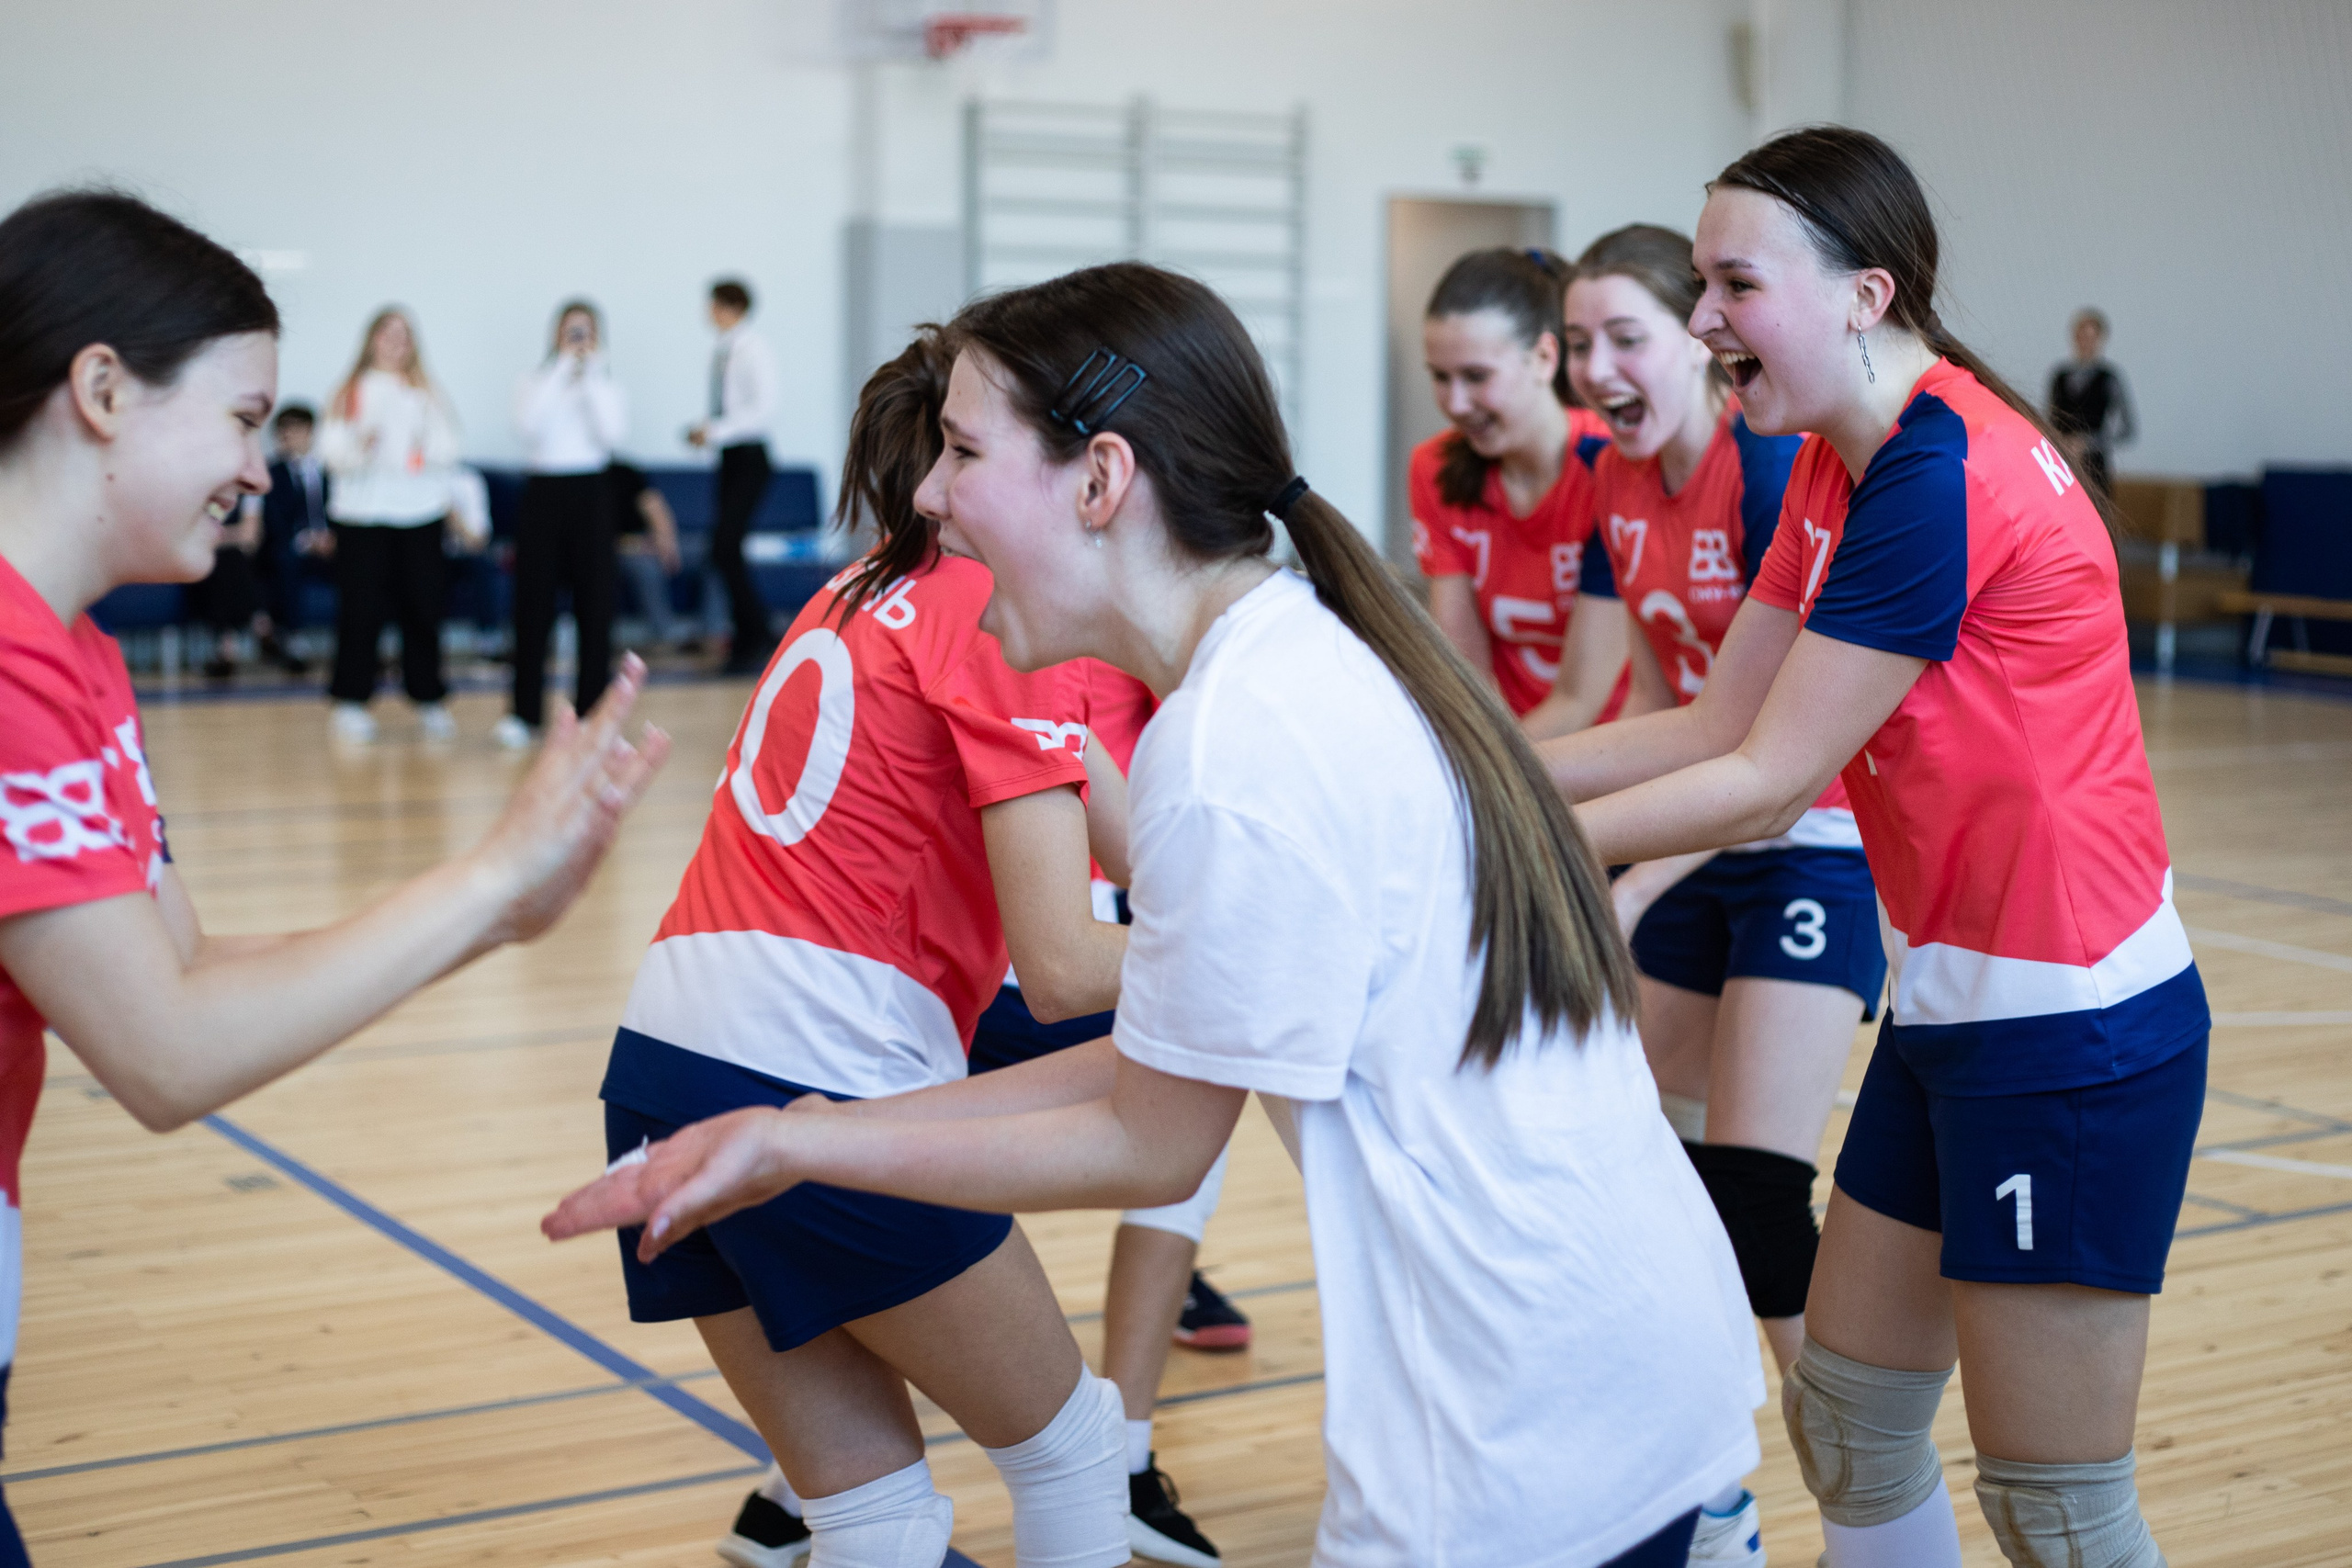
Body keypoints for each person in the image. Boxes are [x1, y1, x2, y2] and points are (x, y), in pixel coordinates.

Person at [547, 262, 1767, 1568]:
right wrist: (801, 1130)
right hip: (1611, 1371)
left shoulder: (1234, 744)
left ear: (1100, 479)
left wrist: (809, 1147)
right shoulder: (1274, 679)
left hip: (1532, 1423)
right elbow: (1154, 1057)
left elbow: (1146, 1139)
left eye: (961, 451)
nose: (926, 493)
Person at [1537, 129, 2207, 1568]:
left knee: (2060, 1514)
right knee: (1848, 1415)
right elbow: (1715, 716)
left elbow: (1767, 781)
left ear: (1864, 295)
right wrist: (1466, 778)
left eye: (1734, 283)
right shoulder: (1847, 465)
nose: (1708, 318)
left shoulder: (1936, 472)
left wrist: (1505, 848)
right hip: (1951, 1008)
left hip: (2070, 1036)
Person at [0, 187, 669, 1568]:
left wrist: (502, 910)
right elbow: (163, 1054)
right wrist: (490, 880)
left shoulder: (79, 654)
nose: (262, 465)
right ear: (104, 390)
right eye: (245, 418)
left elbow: (183, 969)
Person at [599, 329, 1154, 1568]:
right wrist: (1283, 947)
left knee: (871, 1510)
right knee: (1067, 1446)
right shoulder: (989, 617)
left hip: (657, 1067)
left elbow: (1140, 837)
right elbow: (1063, 965)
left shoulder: (852, 591)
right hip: (817, 1077)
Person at [1560, 221, 1885, 1568]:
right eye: (1579, 342)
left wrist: (1630, 865)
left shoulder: (1772, 472)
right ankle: (1708, 1489)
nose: (1601, 366)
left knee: (1752, 1195)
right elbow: (1647, 701)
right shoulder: (1614, 482)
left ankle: (1870, 1506)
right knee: (1634, 1180)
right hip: (1710, 825)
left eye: (1626, 335)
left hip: (1811, 845)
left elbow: (1769, 751)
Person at [1411, 246, 1629, 739]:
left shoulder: (1613, 462)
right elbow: (1462, 672)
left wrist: (1495, 781)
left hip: (1612, 755)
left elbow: (1581, 701)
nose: (1456, 403)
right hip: (1510, 748)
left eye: (1476, 376)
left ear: (1545, 357)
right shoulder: (1435, 467)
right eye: (1440, 377)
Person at [318, 307, 460, 742]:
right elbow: (332, 454)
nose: (396, 341)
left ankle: (428, 698)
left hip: (419, 514)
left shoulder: (427, 391)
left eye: (405, 334)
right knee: (361, 611)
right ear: (372, 338)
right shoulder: (350, 389)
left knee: (423, 607)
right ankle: (351, 701)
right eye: (388, 332)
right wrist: (361, 444)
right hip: (363, 518)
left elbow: (450, 446)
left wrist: (424, 440)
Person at [501, 300, 628, 750]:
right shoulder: (534, 381)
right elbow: (528, 427)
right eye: (569, 331)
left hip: (591, 492)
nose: (577, 339)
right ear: (554, 334)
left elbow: (612, 436)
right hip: (543, 491)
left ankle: (593, 714)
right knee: (532, 605)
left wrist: (589, 374)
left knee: (595, 605)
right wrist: (560, 371)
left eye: (586, 331)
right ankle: (524, 713)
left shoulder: (606, 383)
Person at [687, 278, 778, 674]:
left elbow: (763, 411)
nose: (708, 312)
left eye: (713, 305)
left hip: (749, 458)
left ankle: (755, 635)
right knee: (726, 549)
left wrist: (718, 430)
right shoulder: (722, 351)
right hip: (729, 457)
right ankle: (751, 635)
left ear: (729, 307)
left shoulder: (754, 350)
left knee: (725, 547)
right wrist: (710, 431)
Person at [244, 402, 329, 673]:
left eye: (297, 430)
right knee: (284, 560)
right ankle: (294, 640)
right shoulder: (270, 474)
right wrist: (306, 540)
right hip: (292, 548)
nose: (290, 437)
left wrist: (331, 539)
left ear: (311, 432)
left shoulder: (329, 470)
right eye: (285, 432)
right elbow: (274, 522)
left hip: (330, 547)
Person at [2046, 309, 2134, 495]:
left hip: (2095, 468)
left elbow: (2127, 429)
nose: (2086, 342)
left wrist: (2089, 443)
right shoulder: (2060, 377)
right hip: (2062, 464)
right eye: (2081, 336)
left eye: (2091, 337)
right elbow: (2050, 420)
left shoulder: (2109, 379)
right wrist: (2063, 442)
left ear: (2100, 340)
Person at [606, 460, 690, 650]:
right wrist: (637, 545)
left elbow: (654, 505)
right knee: (645, 565)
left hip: (650, 540)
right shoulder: (576, 480)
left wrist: (667, 542)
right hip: (621, 549)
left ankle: (715, 632)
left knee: (717, 552)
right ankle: (668, 636)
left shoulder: (623, 471)